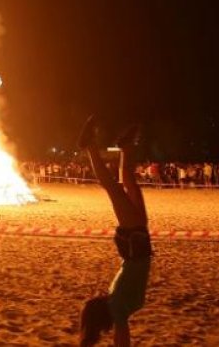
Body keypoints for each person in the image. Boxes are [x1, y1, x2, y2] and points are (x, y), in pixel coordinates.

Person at [77, 117, 151, 347]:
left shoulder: (118, 307)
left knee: (112, 187)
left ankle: (88, 145)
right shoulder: (116, 302)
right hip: (136, 240)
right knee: (131, 184)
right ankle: (125, 146)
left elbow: (123, 342)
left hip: (134, 240)